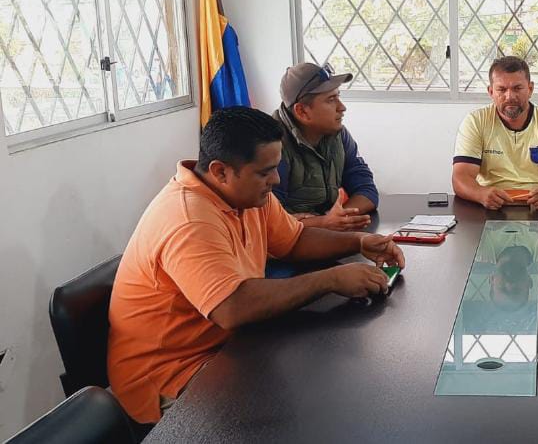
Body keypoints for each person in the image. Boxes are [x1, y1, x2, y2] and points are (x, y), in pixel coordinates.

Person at [108, 107, 405, 424]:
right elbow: (232, 308)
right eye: (265, 172)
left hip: (229, 347)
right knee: (300, 414)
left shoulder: (246, 195)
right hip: (170, 375)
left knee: (326, 386)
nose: (275, 180)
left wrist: (358, 241)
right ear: (221, 172)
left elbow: (294, 240)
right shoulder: (189, 218)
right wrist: (330, 279)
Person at [452, 56, 538, 210]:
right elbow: (460, 177)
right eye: (501, 89)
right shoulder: (476, 122)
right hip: (490, 207)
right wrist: (480, 194)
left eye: (517, 88)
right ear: (491, 91)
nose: (510, 97)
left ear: (530, 89)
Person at [272, 62, 378, 231]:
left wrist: (337, 217)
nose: (342, 107)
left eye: (338, 96)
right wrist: (325, 222)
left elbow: (367, 190)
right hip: (288, 244)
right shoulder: (271, 144)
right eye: (331, 100)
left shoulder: (338, 134)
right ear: (302, 112)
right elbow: (268, 222)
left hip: (323, 234)